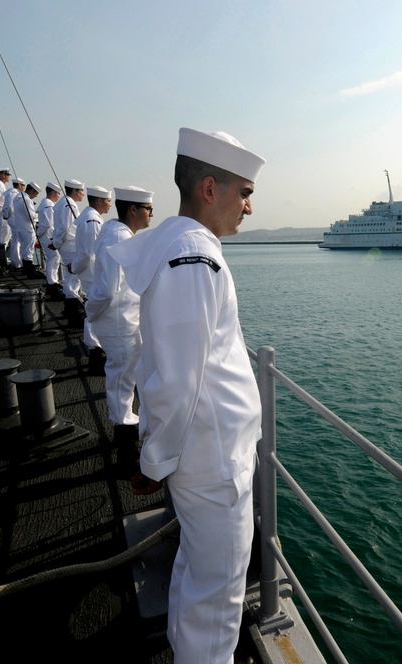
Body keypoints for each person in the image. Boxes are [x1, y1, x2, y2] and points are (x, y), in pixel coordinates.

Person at [108, 127, 265, 664]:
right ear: (208, 188)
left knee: (195, 574)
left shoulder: (180, 248)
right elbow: (177, 380)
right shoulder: (194, 259)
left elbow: (163, 360)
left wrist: (158, 455)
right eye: (243, 191)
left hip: (205, 456)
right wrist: (153, 463)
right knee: (218, 599)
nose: (249, 204)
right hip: (214, 461)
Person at [84, 185, 153, 476]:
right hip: (118, 322)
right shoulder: (117, 237)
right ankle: (126, 447)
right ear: (134, 210)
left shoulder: (119, 234)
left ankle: (124, 433)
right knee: (121, 380)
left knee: (125, 377)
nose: (151, 214)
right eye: (149, 209)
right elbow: (108, 289)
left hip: (124, 320)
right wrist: (90, 314)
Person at [71, 185, 111, 373]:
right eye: (108, 201)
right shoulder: (92, 221)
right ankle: (96, 353)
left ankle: (97, 349)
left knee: (93, 310)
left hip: (90, 272)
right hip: (92, 273)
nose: (110, 204)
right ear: (99, 201)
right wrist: (74, 268)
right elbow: (88, 253)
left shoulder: (89, 218)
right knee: (93, 312)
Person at [51, 179, 85, 325]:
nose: (83, 194)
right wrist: (56, 242)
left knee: (73, 277)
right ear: (75, 191)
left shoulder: (63, 202)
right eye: (81, 191)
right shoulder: (68, 204)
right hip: (70, 244)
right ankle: (74, 316)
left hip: (68, 244)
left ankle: (70, 311)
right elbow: (65, 228)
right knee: (73, 277)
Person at [37, 181, 64, 299]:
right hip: (48, 235)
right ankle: (52, 285)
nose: (59, 196)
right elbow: (48, 223)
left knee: (53, 258)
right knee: (54, 258)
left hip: (47, 235)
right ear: (53, 193)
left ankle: (52, 284)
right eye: (58, 193)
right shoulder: (49, 204)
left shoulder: (45, 203)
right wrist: (38, 233)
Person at [9, 181, 40, 276]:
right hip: (27, 228)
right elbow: (30, 216)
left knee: (24, 250)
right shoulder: (27, 200)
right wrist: (40, 215)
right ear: (31, 190)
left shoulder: (17, 198)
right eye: (36, 193)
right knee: (29, 250)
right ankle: (29, 272)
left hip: (20, 227)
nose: (36, 196)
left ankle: (26, 270)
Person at [3, 177, 27, 267]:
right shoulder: (14, 193)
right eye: (23, 186)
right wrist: (6, 215)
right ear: (20, 185)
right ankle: (17, 263)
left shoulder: (11, 192)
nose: (24, 188)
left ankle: (17, 261)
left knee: (16, 240)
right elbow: (9, 207)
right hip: (14, 218)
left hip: (13, 218)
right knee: (18, 240)